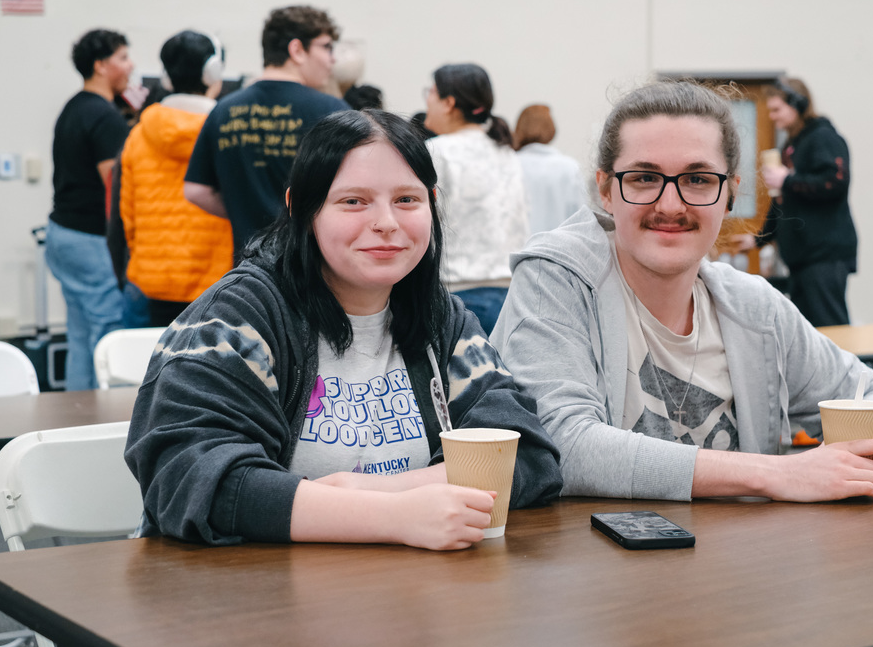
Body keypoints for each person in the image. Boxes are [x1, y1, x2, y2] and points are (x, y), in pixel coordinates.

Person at [125, 109, 562, 549]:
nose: (386, 222)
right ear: (301, 208)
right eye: (354, 201)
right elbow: (190, 476)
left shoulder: (440, 318)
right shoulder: (237, 317)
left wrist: (380, 493)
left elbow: (526, 455)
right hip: (250, 597)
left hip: (407, 597)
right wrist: (392, 517)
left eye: (407, 200)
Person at [490, 80, 873, 504]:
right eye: (644, 177)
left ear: (729, 194)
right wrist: (779, 473)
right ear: (606, 190)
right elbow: (564, 445)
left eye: (698, 179)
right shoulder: (554, 281)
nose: (671, 204)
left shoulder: (753, 306)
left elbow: (870, 393)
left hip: (734, 565)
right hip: (595, 562)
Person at [184, 5, 350, 258]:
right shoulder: (332, 111)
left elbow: (195, 191)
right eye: (326, 47)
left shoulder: (224, 110)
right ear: (297, 50)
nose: (332, 59)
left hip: (248, 268)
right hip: (310, 266)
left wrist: (244, 212)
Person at [119, 31, 234, 327]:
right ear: (213, 73)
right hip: (219, 281)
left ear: (166, 77)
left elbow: (127, 215)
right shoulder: (229, 134)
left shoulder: (138, 135)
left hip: (152, 281)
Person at [45, 28, 133, 390]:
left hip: (62, 234)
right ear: (100, 65)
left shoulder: (74, 107)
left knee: (81, 334)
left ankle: (73, 421)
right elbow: (115, 191)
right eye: (123, 57)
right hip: (90, 240)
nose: (131, 65)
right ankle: (102, 427)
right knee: (108, 334)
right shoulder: (105, 117)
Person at [733, 77, 857, 327]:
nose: (772, 117)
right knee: (809, 332)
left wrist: (788, 179)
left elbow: (836, 180)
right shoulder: (793, 145)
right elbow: (782, 202)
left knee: (830, 328)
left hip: (823, 255)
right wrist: (758, 239)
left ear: (798, 104)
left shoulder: (822, 137)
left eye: (777, 109)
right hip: (803, 258)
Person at [424, 63, 529, 335]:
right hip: (511, 292)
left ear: (448, 102)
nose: (427, 100)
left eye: (431, 93)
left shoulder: (437, 150)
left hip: (459, 293)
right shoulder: (505, 150)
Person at [513, 104, 587, 234]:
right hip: (558, 249)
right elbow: (580, 218)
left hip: (514, 249)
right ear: (551, 129)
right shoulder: (569, 168)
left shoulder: (509, 164)